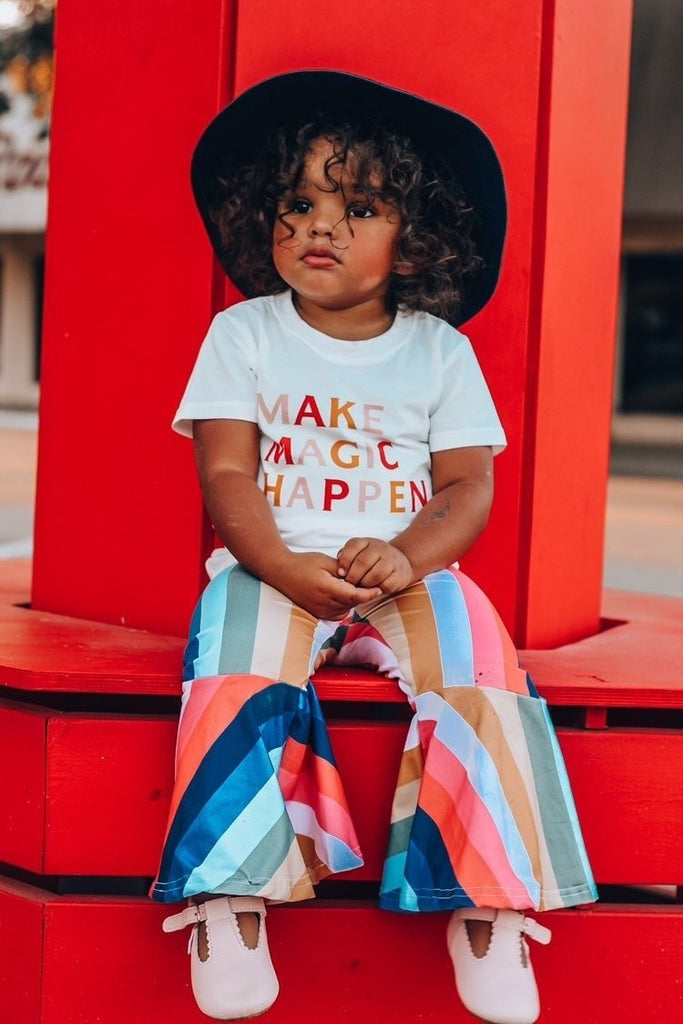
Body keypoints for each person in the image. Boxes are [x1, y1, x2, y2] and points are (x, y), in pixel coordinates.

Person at [151, 71, 596, 1024]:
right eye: (299, 203)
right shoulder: (246, 334)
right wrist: (270, 563)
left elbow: (468, 484)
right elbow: (228, 473)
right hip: (275, 567)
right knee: (231, 666)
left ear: (414, 241)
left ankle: (483, 906)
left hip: (403, 573)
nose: (322, 225)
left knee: (480, 666)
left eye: (358, 206)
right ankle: (229, 894)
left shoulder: (437, 350)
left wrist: (411, 557)